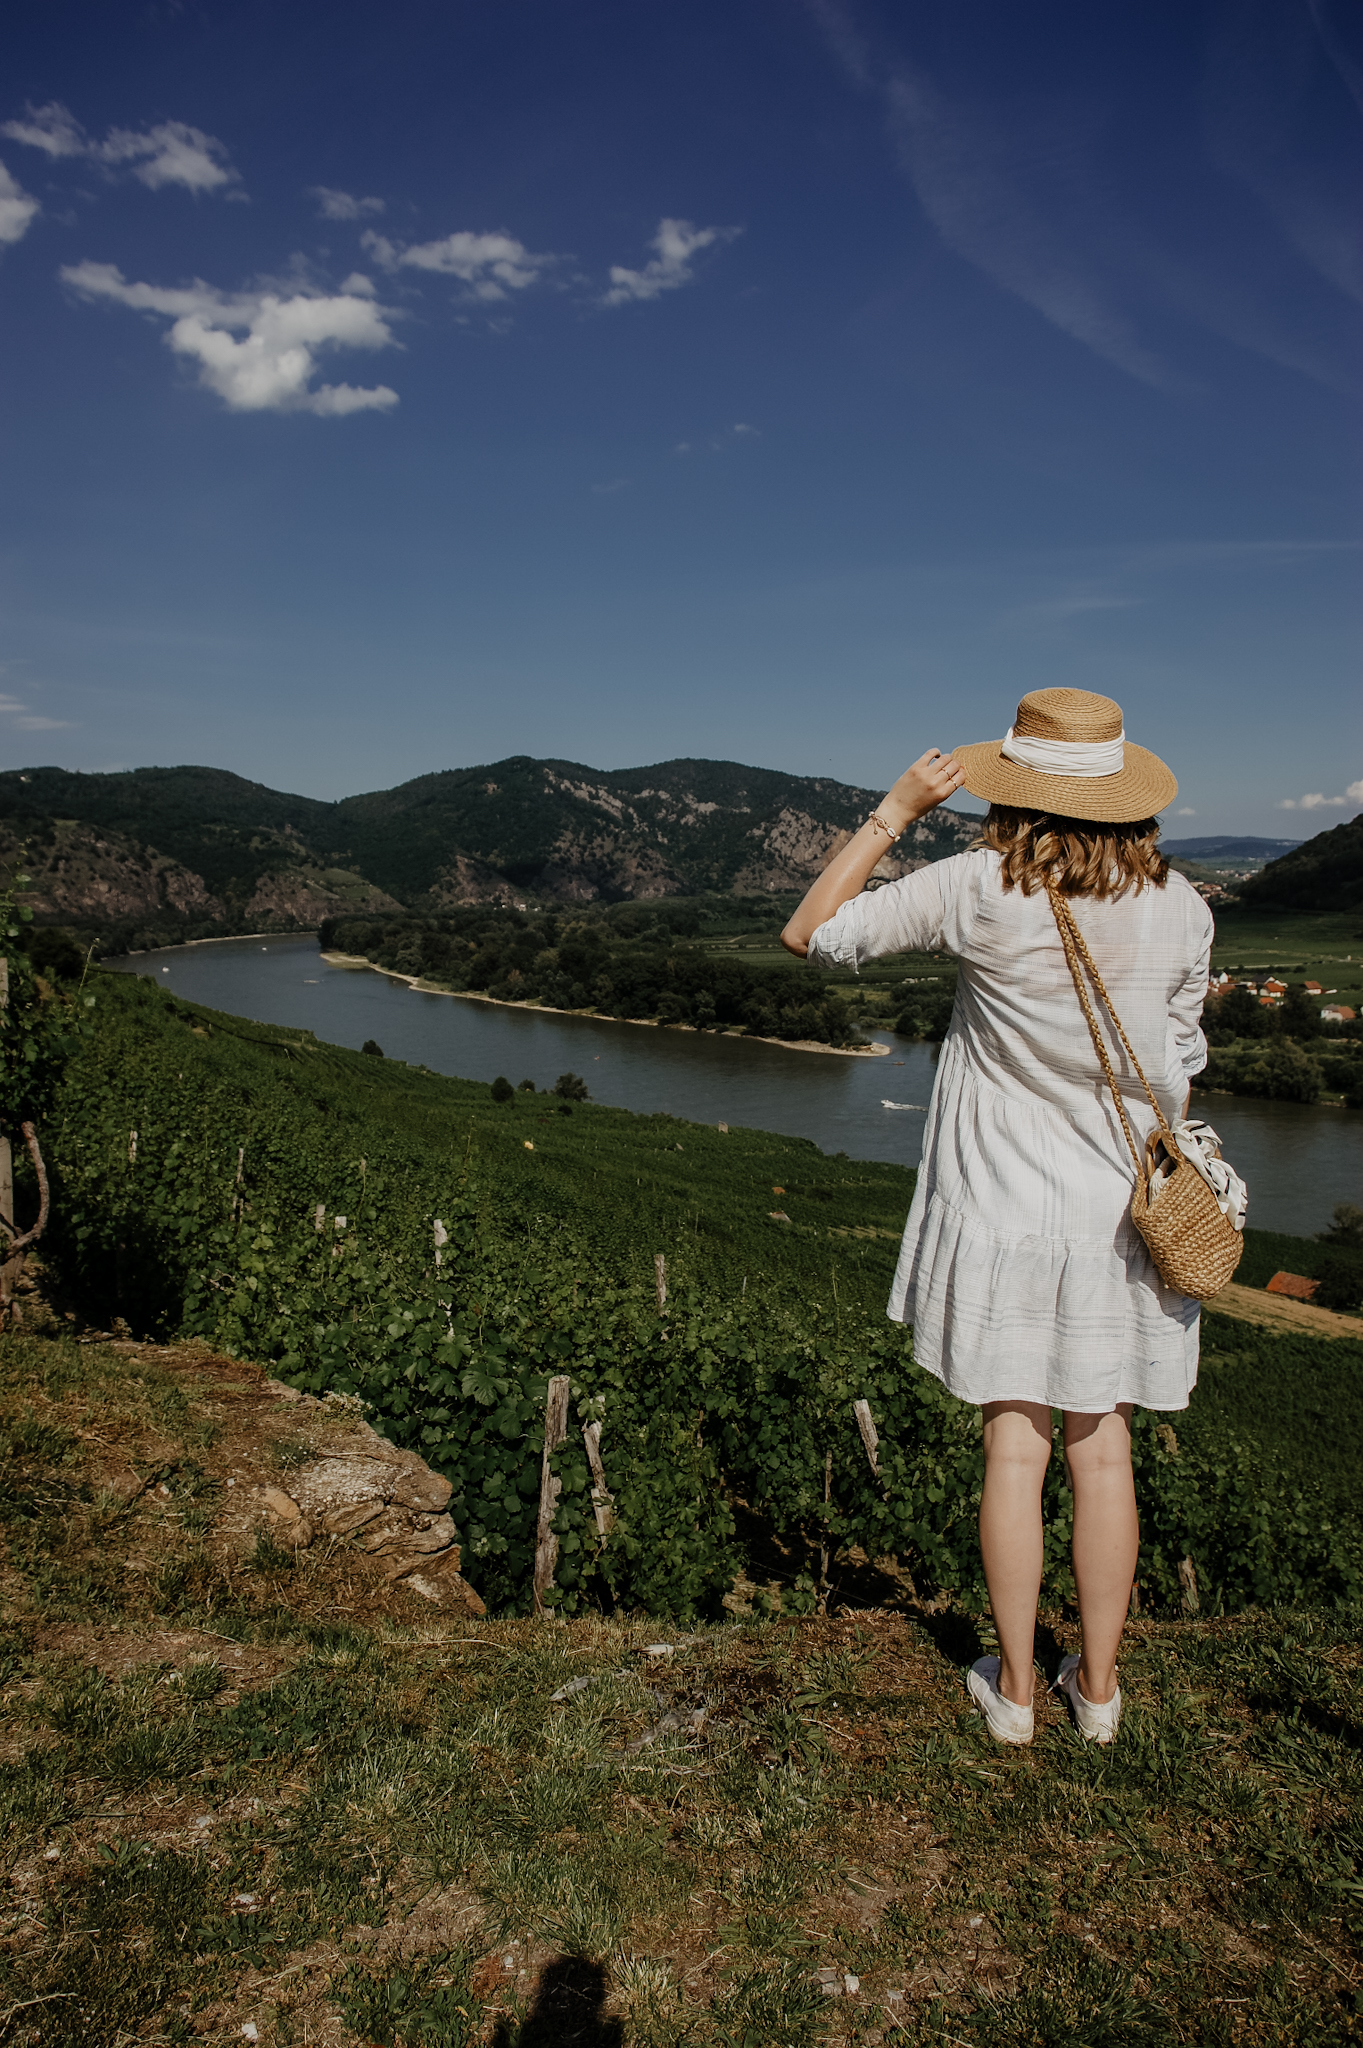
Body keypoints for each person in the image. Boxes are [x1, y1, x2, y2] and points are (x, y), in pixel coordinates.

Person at [781, 688, 1212, 1746]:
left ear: (1013, 789)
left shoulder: (978, 887)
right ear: (1124, 795)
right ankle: (1098, 1693)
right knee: (1101, 1450)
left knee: (1012, 1454)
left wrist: (893, 809)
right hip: (1122, 1217)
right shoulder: (1185, 905)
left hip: (1005, 1210)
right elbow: (1182, 1069)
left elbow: (811, 932)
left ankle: (1015, 1691)